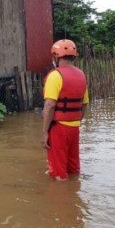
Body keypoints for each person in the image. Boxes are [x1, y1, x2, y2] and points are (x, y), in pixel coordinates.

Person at [41, 39, 89, 181]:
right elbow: (84, 103)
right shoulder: (81, 75)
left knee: (59, 174)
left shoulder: (55, 75)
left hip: (59, 129)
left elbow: (49, 105)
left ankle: (61, 200)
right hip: (75, 128)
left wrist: (44, 133)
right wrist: (76, 120)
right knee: (74, 169)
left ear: (56, 56)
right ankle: (74, 194)